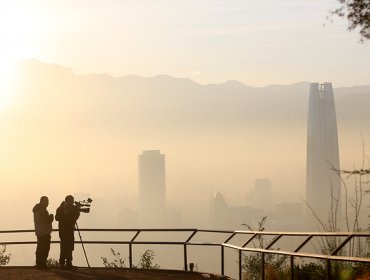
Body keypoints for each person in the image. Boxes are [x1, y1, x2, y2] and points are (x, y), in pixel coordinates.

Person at [55, 195, 80, 269]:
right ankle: (64, 263)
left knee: (68, 247)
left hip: (65, 230)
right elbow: (57, 218)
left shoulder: (61, 208)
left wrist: (76, 210)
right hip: (66, 230)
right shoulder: (61, 209)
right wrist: (66, 213)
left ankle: (67, 263)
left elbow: (75, 217)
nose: (72, 203)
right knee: (65, 247)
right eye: (71, 201)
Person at [33, 196, 54, 269]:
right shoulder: (42, 210)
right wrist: (51, 217)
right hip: (44, 232)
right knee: (45, 249)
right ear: (42, 201)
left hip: (39, 231)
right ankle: (42, 264)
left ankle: (39, 264)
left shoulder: (37, 209)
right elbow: (47, 220)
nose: (48, 203)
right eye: (46, 201)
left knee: (40, 248)